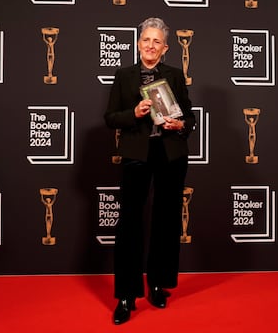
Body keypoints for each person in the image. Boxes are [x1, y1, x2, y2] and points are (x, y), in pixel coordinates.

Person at [104, 17, 196, 325]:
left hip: (170, 153)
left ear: (165, 48)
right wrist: (134, 113)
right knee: (130, 222)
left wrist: (180, 124)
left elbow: (189, 117)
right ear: (138, 43)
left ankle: (158, 284)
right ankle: (127, 296)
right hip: (136, 155)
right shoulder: (124, 75)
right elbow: (111, 117)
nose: (150, 45)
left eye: (157, 41)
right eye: (146, 40)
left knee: (167, 218)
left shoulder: (175, 75)